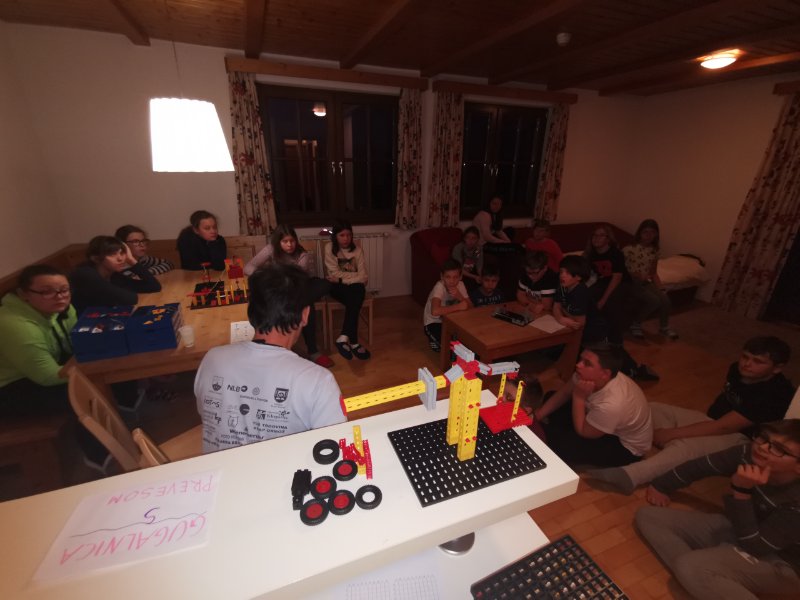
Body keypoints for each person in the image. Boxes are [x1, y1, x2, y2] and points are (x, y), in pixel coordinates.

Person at [589, 336, 794, 495]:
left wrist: (671, 433)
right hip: (712, 421)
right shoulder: (737, 369)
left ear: (777, 368)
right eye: (745, 357)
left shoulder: (774, 394)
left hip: (743, 439)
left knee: (686, 446)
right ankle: (615, 434)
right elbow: (717, 419)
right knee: (652, 408)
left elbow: (725, 427)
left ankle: (629, 476)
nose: (747, 364)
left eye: (758, 362)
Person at [636, 419, 800, 599]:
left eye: (779, 449)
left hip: (783, 561)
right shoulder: (749, 454)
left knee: (692, 567)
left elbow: (755, 546)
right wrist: (662, 485)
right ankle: (705, 578)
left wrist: (741, 491)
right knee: (649, 517)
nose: (763, 447)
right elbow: (703, 465)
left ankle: (703, 575)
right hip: (740, 528)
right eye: (764, 438)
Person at [194, 263, 346, 454]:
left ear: (251, 312)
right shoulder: (318, 381)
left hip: (216, 470)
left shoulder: (212, 359)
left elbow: (207, 416)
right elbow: (335, 448)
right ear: (305, 314)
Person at [0, 265, 110, 470]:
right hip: (10, 388)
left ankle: (114, 434)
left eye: (64, 290)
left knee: (98, 383)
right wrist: (97, 371)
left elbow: (78, 341)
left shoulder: (62, 309)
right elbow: (48, 376)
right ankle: (100, 458)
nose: (59, 296)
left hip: (47, 369)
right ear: (23, 294)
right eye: (46, 291)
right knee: (81, 395)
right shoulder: (15, 325)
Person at [533, 344, 652, 468]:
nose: (578, 365)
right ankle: (556, 429)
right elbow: (564, 393)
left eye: (587, 363)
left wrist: (579, 398)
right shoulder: (585, 375)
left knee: (563, 444)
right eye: (581, 359)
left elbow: (583, 431)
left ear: (605, 374)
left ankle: (555, 432)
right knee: (551, 397)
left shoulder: (611, 405)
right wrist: (539, 414)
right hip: (600, 420)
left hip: (623, 446)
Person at [244, 224, 333, 368]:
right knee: (305, 304)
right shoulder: (271, 249)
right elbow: (248, 267)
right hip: (282, 289)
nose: (289, 245)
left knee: (324, 285)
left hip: (299, 286)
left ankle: (306, 349)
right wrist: (267, 276)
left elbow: (297, 280)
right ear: (278, 242)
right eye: (285, 241)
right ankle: (313, 351)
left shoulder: (302, 255)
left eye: (292, 241)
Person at [69, 236, 161, 314]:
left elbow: (153, 286)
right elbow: (130, 299)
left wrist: (131, 260)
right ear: (96, 258)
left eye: (122, 253)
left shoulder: (113, 275)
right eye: (113, 254)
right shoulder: (85, 274)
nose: (120, 258)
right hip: (80, 325)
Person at [323, 220, 371, 360]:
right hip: (335, 287)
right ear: (335, 236)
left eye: (349, 235)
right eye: (342, 235)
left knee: (357, 292)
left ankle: (344, 338)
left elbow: (364, 276)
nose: (346, 238)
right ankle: (354, 342)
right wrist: (352, 277)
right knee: (356, 296)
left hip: (348, 285)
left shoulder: (357, 250)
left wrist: (342, 279)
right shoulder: (329, 248)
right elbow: (334, 273)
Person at [623, 219, 677, 340]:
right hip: (630, 282)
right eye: (645, 232)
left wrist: (661, 287)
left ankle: (664, 327)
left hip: (644, 282)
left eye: (652, 232)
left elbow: (653, 273)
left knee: (665, 300)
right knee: (654, 301)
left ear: (656, 234)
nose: (648, 235)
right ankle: (636, 323)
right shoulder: (629, 249)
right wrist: (637, 275)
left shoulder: (654, 250)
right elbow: (621, 271)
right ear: (640, 233)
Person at [583, 225, 633, 345]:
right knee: (587, 295)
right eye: (595, 235)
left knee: (611, 303)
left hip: (621, 283)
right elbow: (587, 274)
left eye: (601, 235)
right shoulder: (591, 254)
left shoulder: (616, 253)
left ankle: (615, 340)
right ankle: (592, 333)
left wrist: (602, 301)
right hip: (603, 282)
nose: (597, 238)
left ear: (608, 239)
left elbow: (617, 278)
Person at [423, 258, 470, 353]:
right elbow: (435, 311)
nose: (452, 281)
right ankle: (435, 341)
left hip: (452, 321)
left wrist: (460, 297)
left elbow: (472, 307)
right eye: (448, 277)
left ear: (460, 277)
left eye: (455, 277)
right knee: (451, 350)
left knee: (467, 344)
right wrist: (459, 306)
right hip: (434, 322)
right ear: (442, 277)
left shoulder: (461, 285)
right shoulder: (439, 286)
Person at [516, 251, 558, 316]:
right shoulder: (525, 273)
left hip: (547, 315)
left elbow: (546, 306)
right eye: (528, 272)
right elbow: (519, 295)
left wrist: (526, 299)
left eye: (535, 273)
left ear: (545, 268)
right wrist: (531, 304)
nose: (531, 276)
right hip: (532, 312)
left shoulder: (550, 278)